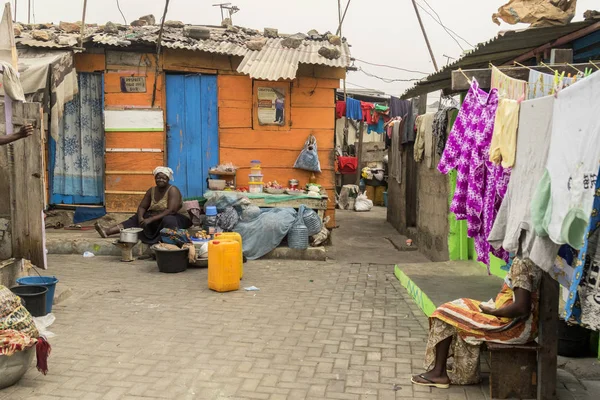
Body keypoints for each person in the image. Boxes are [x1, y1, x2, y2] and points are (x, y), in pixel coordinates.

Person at [411, 257, 541, 388]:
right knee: (458, 305)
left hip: (514, 327)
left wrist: (492, 312)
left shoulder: (522, 262)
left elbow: (521, 308)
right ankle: (453, 365)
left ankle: (438, 373)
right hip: (518, 322)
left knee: (443, 313)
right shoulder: (532, 257)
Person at [95, 166, 192, 244]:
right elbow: (142, 207)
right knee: (137, 217)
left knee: (169, 219)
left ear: (168, 179)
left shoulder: (173, 190)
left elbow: (171, 210)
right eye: (158, 177)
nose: (161, 180)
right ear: (155, 178)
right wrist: (141, 218)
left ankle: (166, 242)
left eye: (164, 178)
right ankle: (108, 231)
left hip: (178, 218)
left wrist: (151, 219)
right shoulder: (152, 190)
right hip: (160, 216)